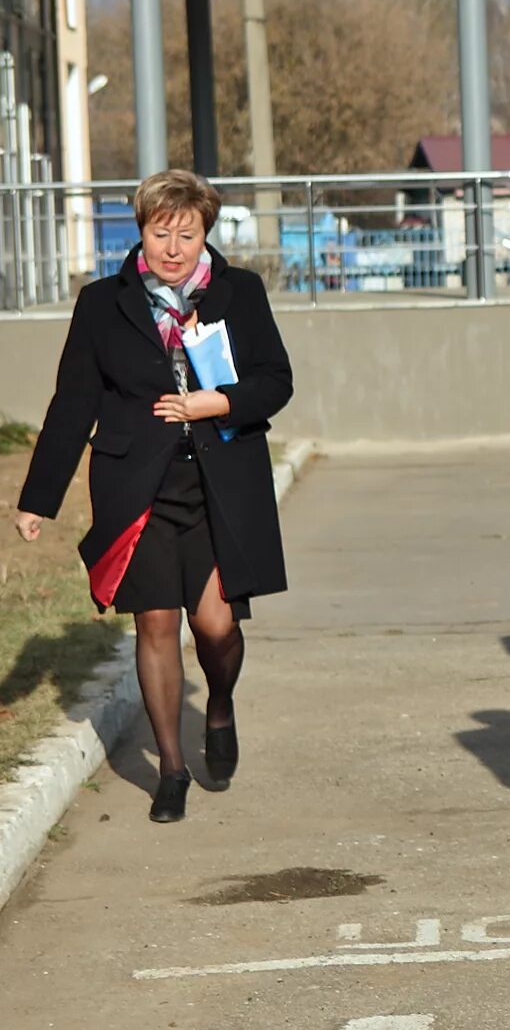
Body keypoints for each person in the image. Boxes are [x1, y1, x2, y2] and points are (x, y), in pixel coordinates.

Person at [11, 171, 294, 823]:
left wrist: (213, 401)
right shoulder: (101, 303)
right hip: (137, 486)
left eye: (186, 233)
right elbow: (73, 402)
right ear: (140, 229)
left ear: (205, 233)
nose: (173, 246)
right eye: (160, 231)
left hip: (220, 482)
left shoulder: (239, 292)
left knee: (218, 625)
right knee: (157, 622)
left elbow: (275, 380)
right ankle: (171, 767)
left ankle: (218, 705)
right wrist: (38, 498)